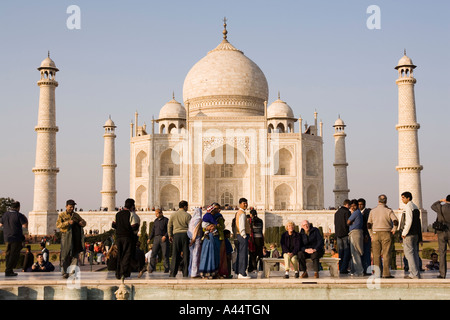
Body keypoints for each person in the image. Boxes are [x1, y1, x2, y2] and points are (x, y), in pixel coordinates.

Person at [367, 194, 399, 278]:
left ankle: (377, 273)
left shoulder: (373, 211)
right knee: (386, 254)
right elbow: (395, 221)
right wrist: (394, 229)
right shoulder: (388, 211)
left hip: (375, 233)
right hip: (386, 233)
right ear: (386, 201)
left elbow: (369, 224)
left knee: (376, 255)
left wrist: (371, 234)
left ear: (378, 201)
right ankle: (386, 273)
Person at [57, 199, 86, 279]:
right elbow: (58, 225)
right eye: (70, 207)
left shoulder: (76, 215)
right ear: (66, 206)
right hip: (65, 236)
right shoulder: (62, 215)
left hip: (75, 237)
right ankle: (65, 272)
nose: (72, 208)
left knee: (75, 254)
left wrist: (82, 223)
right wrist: (67, 223)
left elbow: (84, 222)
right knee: (65, 255)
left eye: (73, 207)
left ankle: (72, 272)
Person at [112, 198, 140, 280]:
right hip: (128, 237)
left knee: (120, 255)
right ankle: (124, 273)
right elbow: (135, 226)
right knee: (127, 255)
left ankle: (118, 273)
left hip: (119, 237)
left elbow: (113, 225)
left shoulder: (117, 214)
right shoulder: (131, 214)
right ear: (132, 206)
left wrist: (120, 227)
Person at [0, 201, 28, 277]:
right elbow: (25, 225)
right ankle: (9, 270)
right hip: (16, 237)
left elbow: (1, 224)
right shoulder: (19, 215)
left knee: (8, 254)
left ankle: (8, 269)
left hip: (7, 237)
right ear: (18, 207)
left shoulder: (5, 215)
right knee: (14, 254)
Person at [399, 191, 422, 279]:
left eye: (403, 198)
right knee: (415, 253)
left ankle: (414, 274)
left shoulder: (408, 206)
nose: (402, 200)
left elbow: (408, 221)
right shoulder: (415, 206)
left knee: (409, 254)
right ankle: (416, 273)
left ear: (408, 198)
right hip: (415, 234)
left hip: (409, 234)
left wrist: (404, 233)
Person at [168, 200, 192, 278]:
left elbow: (169, 226)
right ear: (185, 207)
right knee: (186, 255)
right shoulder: (188, 215)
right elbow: (191, 227)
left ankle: (173, 273)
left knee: (175, 255)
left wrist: (170, 235)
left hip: (176, 235)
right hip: (185, 235)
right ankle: (185, 273)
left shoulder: (173, 215)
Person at [430, 196, 450, 279]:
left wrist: (440, 200)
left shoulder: (440, 207)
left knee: (442, 253)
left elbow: (432, 206)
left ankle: (442, 274)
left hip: (442, 232)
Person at [148, 208, 170, 274]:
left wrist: (165, 236)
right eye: (155, 214)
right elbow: (153, 230)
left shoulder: (166, 220)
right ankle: (151, 268)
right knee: (153, 254)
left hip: (163, 238)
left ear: (161, 213)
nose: (156, 215)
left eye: (157, 214)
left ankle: (166, 268)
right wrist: (149, 238)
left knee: (165, 254)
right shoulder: (155, 221)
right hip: (156, 238)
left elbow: (169, 230)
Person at [234, 198, 251, 279]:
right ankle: (242, 273)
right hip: (242, 236)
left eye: (246, 203)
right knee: (243, 255)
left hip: (240, 236)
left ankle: (238, 272)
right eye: (244, 203)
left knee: (240, 254)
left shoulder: (240, 212)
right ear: (240, 204)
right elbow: (241, 226)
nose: (245, 205)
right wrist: (244, 235)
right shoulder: (242, 213)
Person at [347, 199, 364, 277]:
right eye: (351, 206)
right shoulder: (358, 213)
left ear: (357, 206)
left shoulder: (355, 213)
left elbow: (348, 222)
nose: (353, 207)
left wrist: (351, 222)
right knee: (354, 253)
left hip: (355, 233)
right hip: (356, 233)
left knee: (356, 252)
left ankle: (359, 271)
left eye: (354, 206)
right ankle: (354, 270)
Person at [334, 199, 351, 274]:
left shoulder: (337, 212)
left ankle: (340, 268)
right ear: (347, 205)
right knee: (347, 252)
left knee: (340, 252)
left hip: (338, 234)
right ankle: (344, 268)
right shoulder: (347, 212)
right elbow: (348, 223)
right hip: (345, 234)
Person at [188, 207, 203, 278]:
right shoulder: (199, 219)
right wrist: (193, 239)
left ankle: (190, 271)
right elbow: (196, 230)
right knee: (196, 255)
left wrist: (190, 239)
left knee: (191, 256)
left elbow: (189, 230)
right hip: (196, 239)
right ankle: (195, 272)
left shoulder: (192, 220)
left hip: (190, 238)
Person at [358, 198, 372, 275]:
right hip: (360, 236)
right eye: (359, 204)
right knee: (361, 253)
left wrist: (367, 235)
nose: (360, 206)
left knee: (367, 253)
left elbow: (368, 225)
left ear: (364, 205)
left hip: (366, 236)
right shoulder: (358, 212)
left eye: (361, 204)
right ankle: (363, 269)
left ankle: (368, 270)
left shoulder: (367, 212)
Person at [248, 209, 264, 273]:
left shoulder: (251, 221)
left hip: (253, 239)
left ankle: (254, 268)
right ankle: (261, 268)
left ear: (251, 214)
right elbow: (261, 229)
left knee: (253, 255)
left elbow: (250, 230)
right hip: (260, 239)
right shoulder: (260, 221)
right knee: (259, 254)